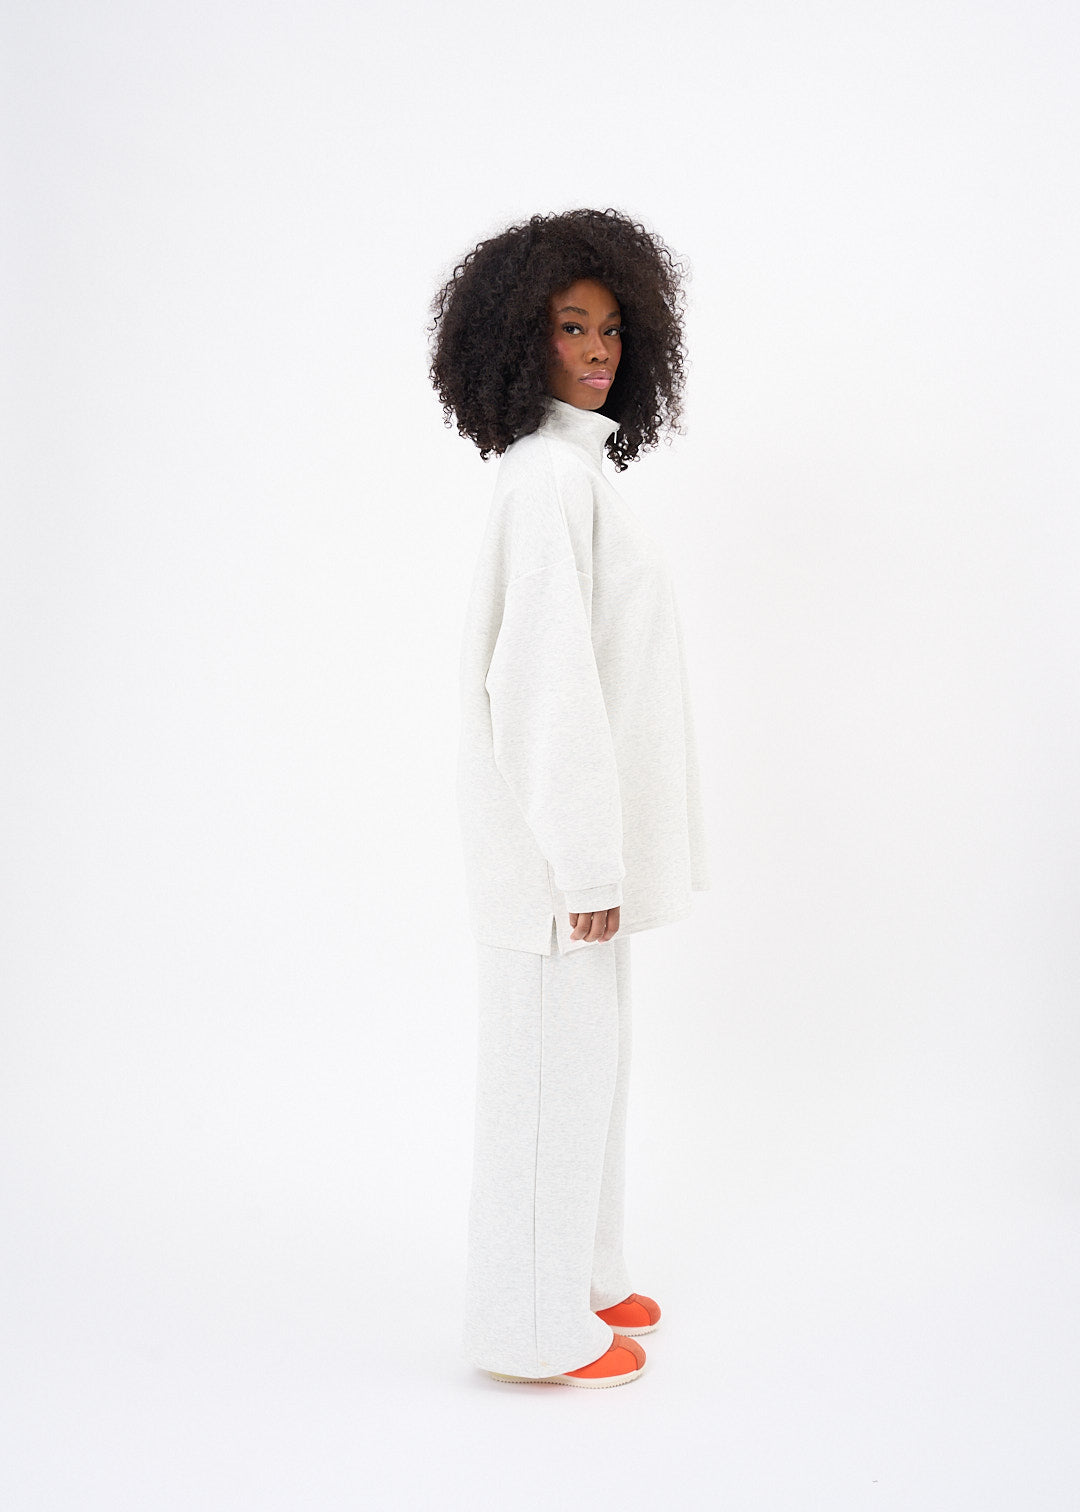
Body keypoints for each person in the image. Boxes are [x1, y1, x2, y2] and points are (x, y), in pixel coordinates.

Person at [427, 207, 710, 1387]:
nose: (598, 350)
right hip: (556, 862)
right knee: (548, 1081)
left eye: (611, 328)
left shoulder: (576, 473)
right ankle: (529, 1327)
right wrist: (587, 859)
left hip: (588, 850)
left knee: (591, 1067)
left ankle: (586, 1278)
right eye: (569, 328)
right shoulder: (545, 480)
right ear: (516, 340)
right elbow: (543, 681)